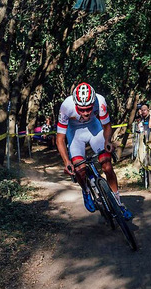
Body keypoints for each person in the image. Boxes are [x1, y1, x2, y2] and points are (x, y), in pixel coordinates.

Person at [56, 82, 132, 219]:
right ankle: (85, 190)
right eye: (81, 109)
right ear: (75, 104)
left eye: (89, 109)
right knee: (80, 169)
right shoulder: (66, 106)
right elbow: (60, 139)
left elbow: (107, 126)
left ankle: (119, 204)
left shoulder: (100, 101)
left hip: (94, 129)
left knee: (107, 165)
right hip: (74, 133)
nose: (85, 113)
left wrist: (108, 141)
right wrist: (66, 161)